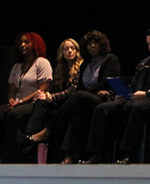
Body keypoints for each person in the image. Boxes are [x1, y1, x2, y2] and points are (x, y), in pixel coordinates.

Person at [82, 27, 150, 164]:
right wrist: (123, 94)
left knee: (136, 107)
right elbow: (134, 86)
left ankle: (129, 153)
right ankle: (98, 154)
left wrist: (147, 94)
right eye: (148, 44)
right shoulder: (144, 63)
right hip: (136, 99)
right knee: (102, 109)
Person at [51, 30, 121, 163]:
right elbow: (80, 86)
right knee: (76, 115)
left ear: (102, 44)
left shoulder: (110, 59)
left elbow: (107, 82)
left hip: (104, 98)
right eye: (89, 44)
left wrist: (90, 93)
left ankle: (52, 127)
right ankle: (69, 155)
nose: (92, 46)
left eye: (95, 43)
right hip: (86, 99)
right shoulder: (86, 64)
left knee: (77, 96)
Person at [0, 32, 53, 163]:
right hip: (17, 103)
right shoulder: (17, 66)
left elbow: (43, 88)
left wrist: (20, 102)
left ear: (35, 44)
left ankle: (9, 156)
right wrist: (11, 100)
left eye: (26, 42)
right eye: (20, 43)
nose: (22, 45)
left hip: (34, 103)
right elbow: (12, 87)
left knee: (13, 115)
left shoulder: (42, 63)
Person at [24, 38, 83, 149]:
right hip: (59, 100)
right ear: (62, 52)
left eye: (72, 48)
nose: (70, 51)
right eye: (66, 49)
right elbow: (54, 87)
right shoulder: (61, 68)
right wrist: (45, 94)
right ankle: (30, 134)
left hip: (71, 102)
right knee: (40, 101)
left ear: (77, 51)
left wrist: (52, 97)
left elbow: (72, 90)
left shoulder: (80, 67)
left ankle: (37, 136)